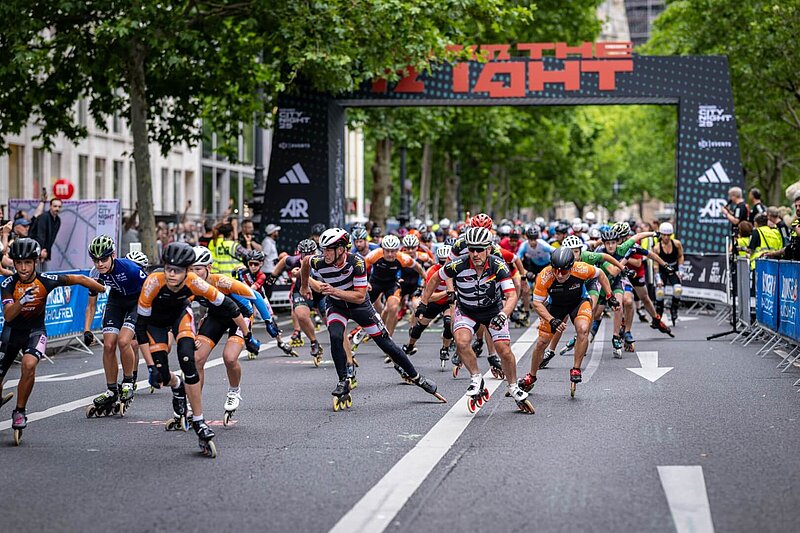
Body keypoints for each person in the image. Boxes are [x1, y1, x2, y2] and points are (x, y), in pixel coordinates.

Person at [136, 242, 260, 457]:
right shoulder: (152, 283)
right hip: (157, 324)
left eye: (179, 270)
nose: (172, 275)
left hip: (202, 318)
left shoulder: (199, 282)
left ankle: (199, 419)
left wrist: (251, 334)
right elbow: (141, 328)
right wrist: (150, 365)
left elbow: (233, 305)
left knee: (192, 360)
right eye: (168, 269)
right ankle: (176, 385)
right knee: (163, 375)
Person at [299, 228, 445, 411]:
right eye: (323, 249)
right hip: (336, 306)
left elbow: (360, 297)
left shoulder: (356, 263)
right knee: (335, 337)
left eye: (328, 249)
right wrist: (305, 286)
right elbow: (305, 262)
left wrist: (334, 291)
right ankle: (343, 380)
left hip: (359, 306)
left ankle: (417, 377)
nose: (324, 254)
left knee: (386, 344)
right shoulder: (320, 261)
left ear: (342, 249)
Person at [0, 238, 105, 445]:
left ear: (35, 263)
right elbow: (9, 316)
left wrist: (101, 288)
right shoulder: (8, 283)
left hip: (35, 331)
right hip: (11, 333)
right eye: (19, 263)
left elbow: (78, 279)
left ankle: (20, 411)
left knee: (29, 365)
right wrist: (21, 302)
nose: (23, 267)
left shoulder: (45, 280)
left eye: (28, 263)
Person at [419, 226, 534, 414]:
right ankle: (476, 377)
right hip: (467, 310)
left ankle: (513, 386)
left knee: (503, 349)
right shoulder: (458, 264)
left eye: (479, 249)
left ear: (488, 249)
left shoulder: (497, 265)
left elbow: (511, 295)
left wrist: (503, 314)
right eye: (471, 249)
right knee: (462, 341)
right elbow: (434, 279)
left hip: (493, 310)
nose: (475, 253)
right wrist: (423, 303)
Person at [520, 247, 617, 398]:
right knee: (542, 342)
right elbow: (537, 304)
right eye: (555, 270)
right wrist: (551, 320)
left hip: (578, 302)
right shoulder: (545, 275)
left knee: (583, 329)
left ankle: (576, 369)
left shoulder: (582, 269)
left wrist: (610, 295)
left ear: (571, 267)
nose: (559, 274)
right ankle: (531, 376)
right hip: (556, 307)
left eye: (564, 271)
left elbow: (602, 274)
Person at [83, 235, 148, 418]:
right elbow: (91, 305)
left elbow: (153, 288)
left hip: (137, 302)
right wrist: (87, 329)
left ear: (113, 255)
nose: (100, 264)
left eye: (103, 259)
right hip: (117, 302)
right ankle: (112, 389)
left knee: (124, 340)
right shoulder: (94, 274)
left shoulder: (130, 268)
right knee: (109, 344)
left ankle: (128, 382)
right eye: (96, 260)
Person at [652, 223, 685, 326]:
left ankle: (674, 308)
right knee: (660, 292)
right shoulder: (657, 248)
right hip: (662, 271)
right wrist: (658, 279)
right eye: (664, 235)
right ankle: (659, 313)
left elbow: (680, 256)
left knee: (678, 290)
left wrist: (681, 269)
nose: (666, 237)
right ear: (661, 235)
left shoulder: (676, 244)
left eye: (668, 235)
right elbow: (655, 264)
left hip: (673, 270)